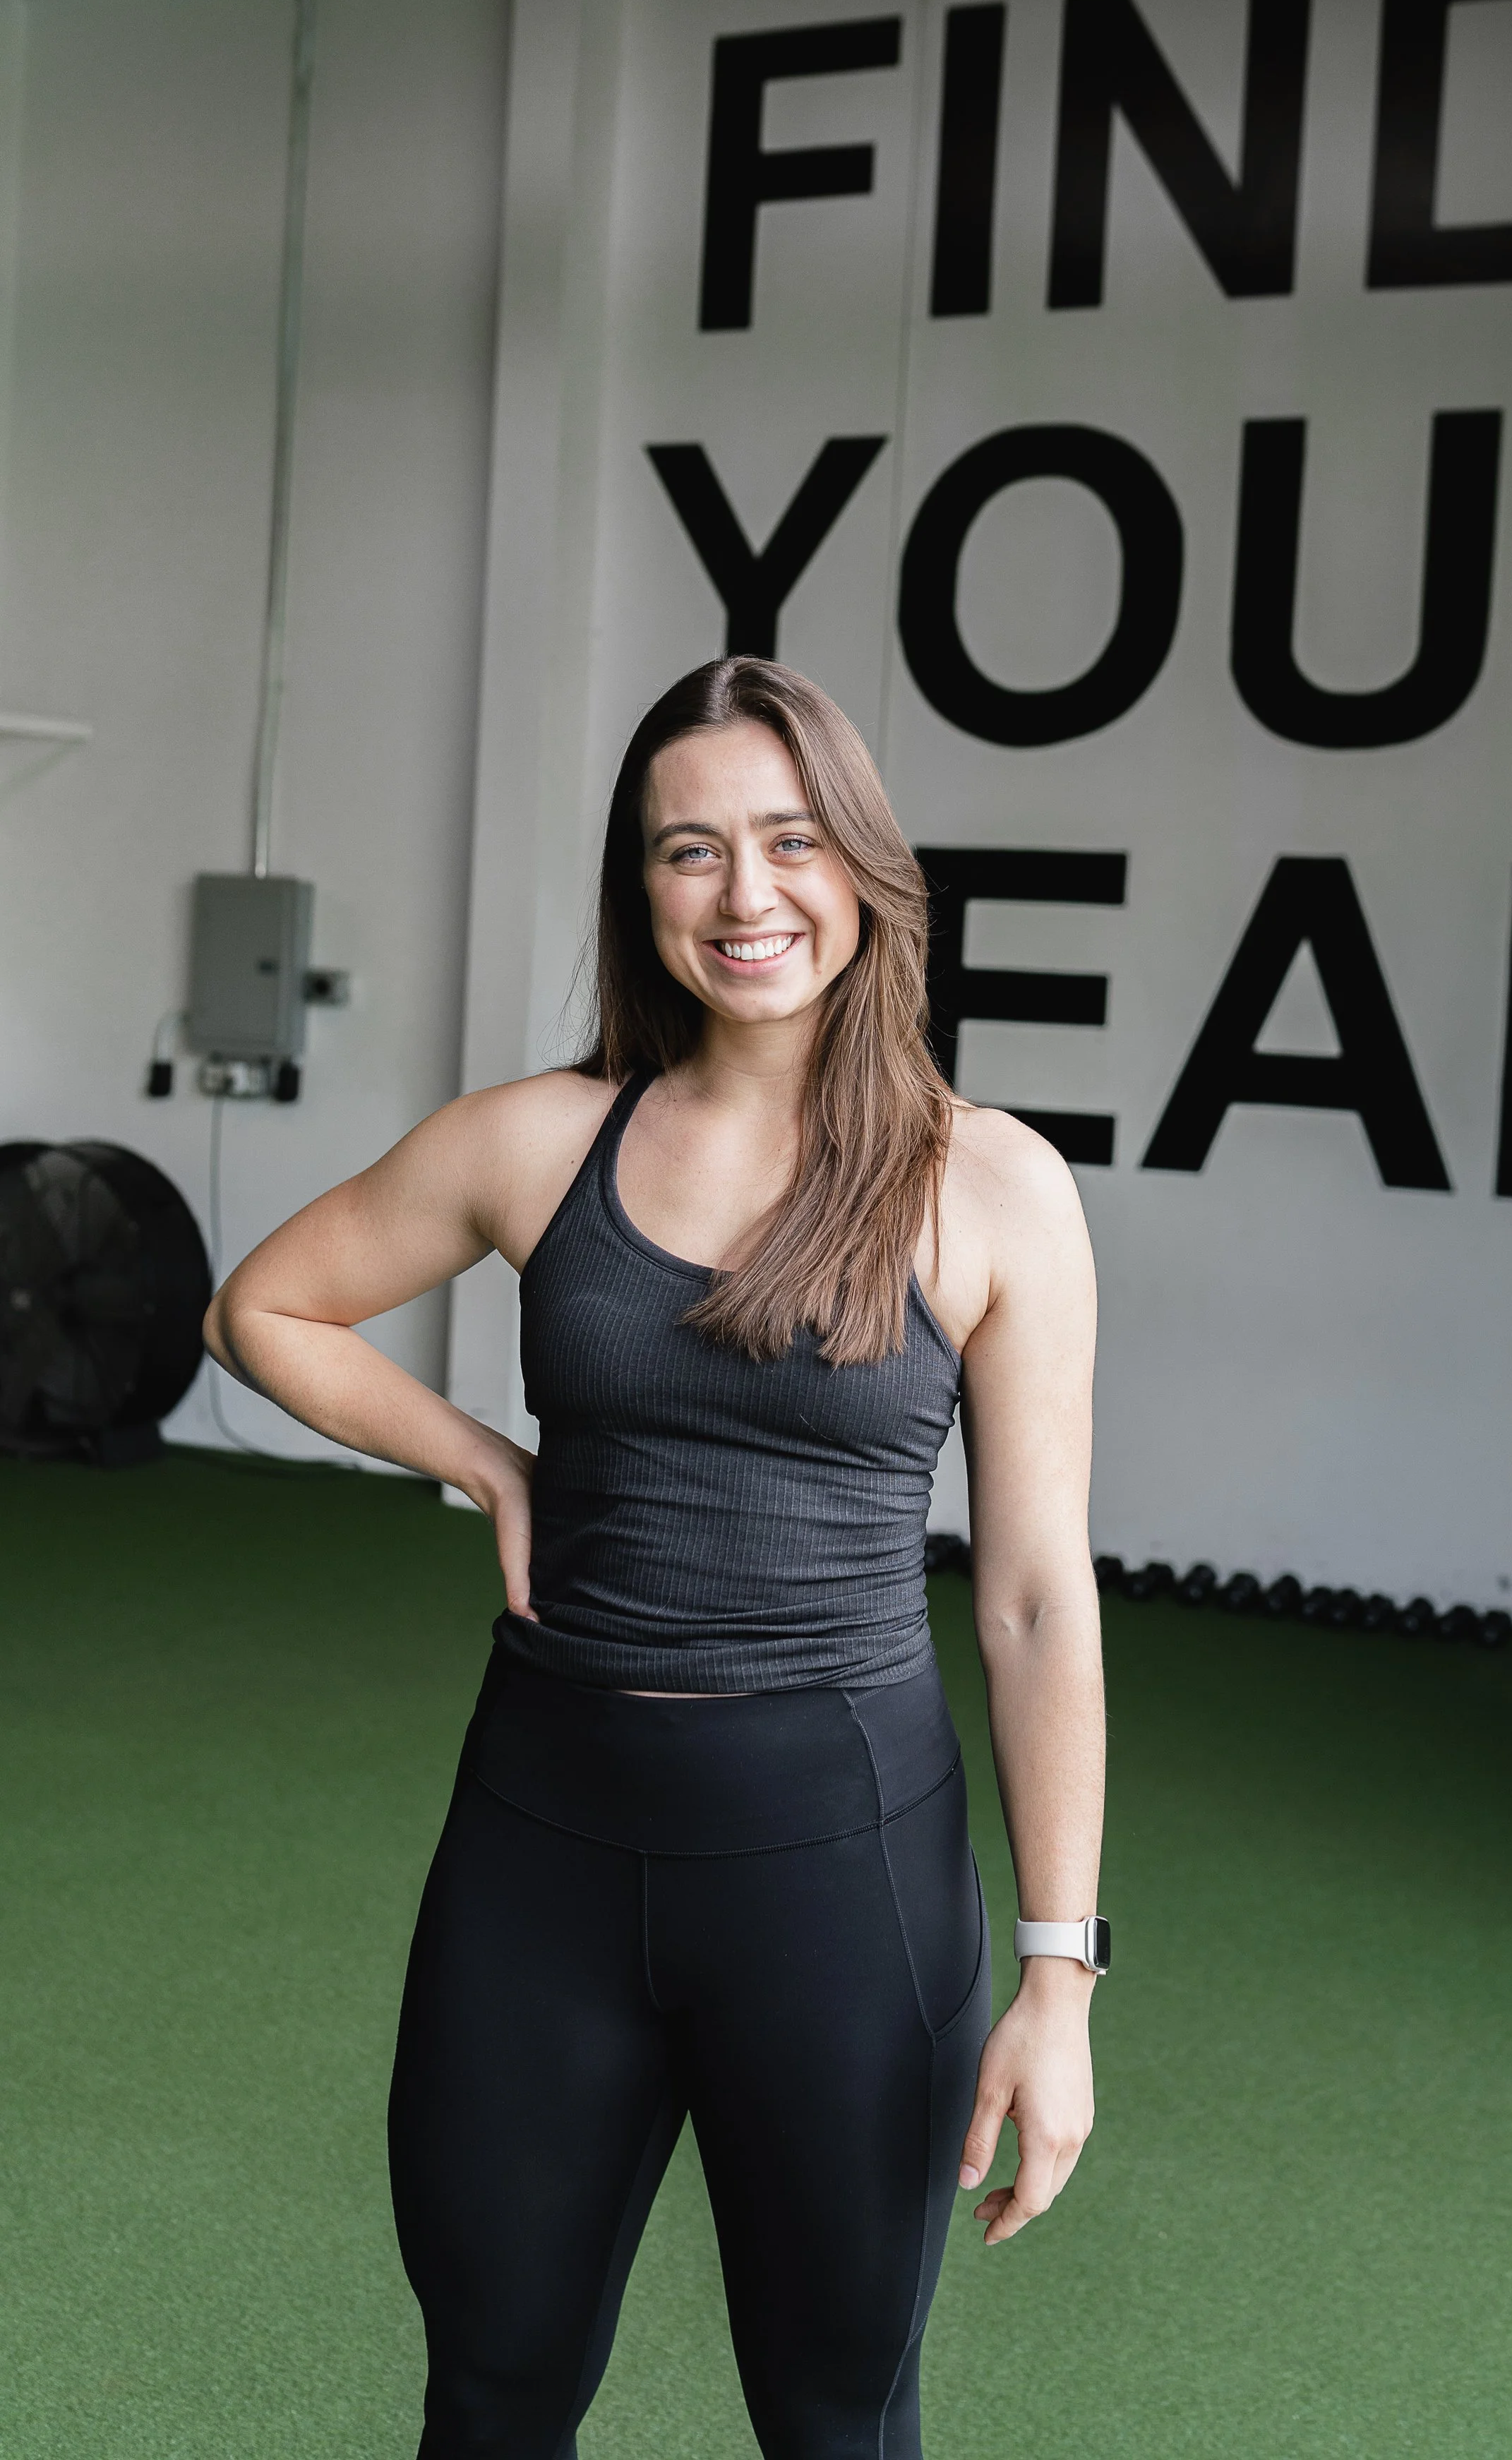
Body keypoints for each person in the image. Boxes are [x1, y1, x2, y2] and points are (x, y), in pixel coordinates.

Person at [205, 655, 1106, 2460]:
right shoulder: (540, 1140)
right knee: (493, 2387)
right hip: (538, 1849)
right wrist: (481, 1460)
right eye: (688, 850)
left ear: (862, 866)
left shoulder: (984, 1181)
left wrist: (1057, 1978)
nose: (744, 893)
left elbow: (1027, 1600)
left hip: (835, 1873)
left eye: (787, 840)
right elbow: (264, 1304)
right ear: (641, 887)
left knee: (833, 2419)